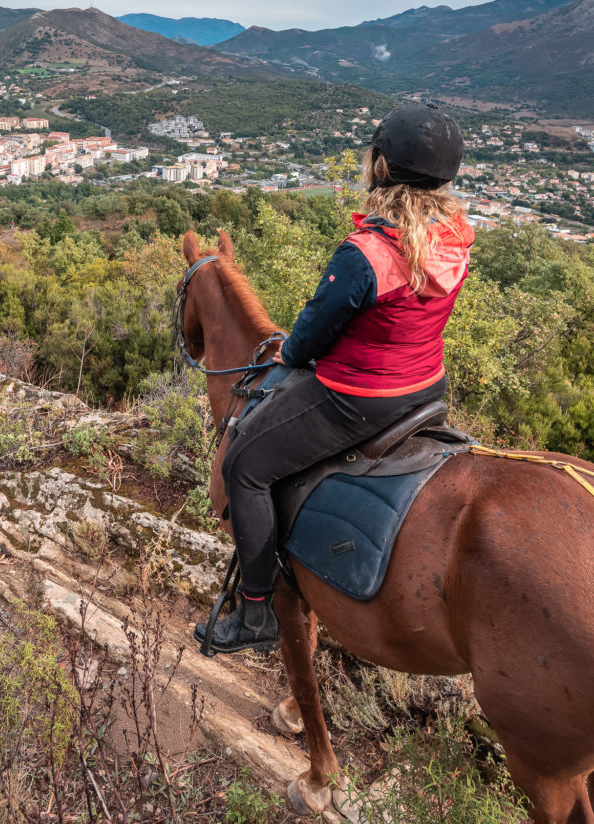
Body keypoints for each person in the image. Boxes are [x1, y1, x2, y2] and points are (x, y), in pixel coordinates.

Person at [195, 103, 474, 655]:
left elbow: (304, 342)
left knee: (244, 465)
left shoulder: (366, 252)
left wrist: (292, 352)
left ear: (382, 169)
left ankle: (255, 615)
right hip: (424, 389)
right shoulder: (456, 238)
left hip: (359, 399)